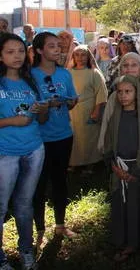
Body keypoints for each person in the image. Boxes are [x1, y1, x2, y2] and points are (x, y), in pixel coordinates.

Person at [0, 33, 48, 270]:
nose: (17, 56)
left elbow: (43, 118)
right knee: (1, 206)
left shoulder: (32, 81)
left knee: (24, 204)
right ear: (0, 55)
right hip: (5, 153)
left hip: (34, 149)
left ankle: (26, 251)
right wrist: (11, 121)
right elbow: (13, 120)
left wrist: (41, 109)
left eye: (20, 50)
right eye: (10, 52)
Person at [103, 75, 140, 263]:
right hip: (120, 170)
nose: (123, 96)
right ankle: (129, 243)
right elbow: (109, 144)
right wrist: (116, 168)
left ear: (137, 93)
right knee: (124, 208)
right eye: (119, 92)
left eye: (128, 91)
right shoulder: (116, 117)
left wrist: (135, 172)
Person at [31, 32, 79, 243]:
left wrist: (69, 102)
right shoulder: (30, 75)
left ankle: (60, 225)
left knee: (60, 181)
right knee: (38, 185)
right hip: (38, 138)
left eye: (59, 46)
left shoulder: (65, 74)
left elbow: (73, 99)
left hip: (63, 136)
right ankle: (39, 229)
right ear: (39, 50)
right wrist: (45, 106)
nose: (57, 49)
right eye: (52, 46)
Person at [68, 45, 108, 171]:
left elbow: (101, 92)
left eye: (83, 54)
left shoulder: (94, 73)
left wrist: (96, 111)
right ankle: (74, 162)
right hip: (72, 111)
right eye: (77, 54)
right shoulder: (68, 73)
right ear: (73, 57)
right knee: (74, 138)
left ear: (88, 56)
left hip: (88, 110)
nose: (80, 58)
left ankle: (90, 163)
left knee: (89, 138)